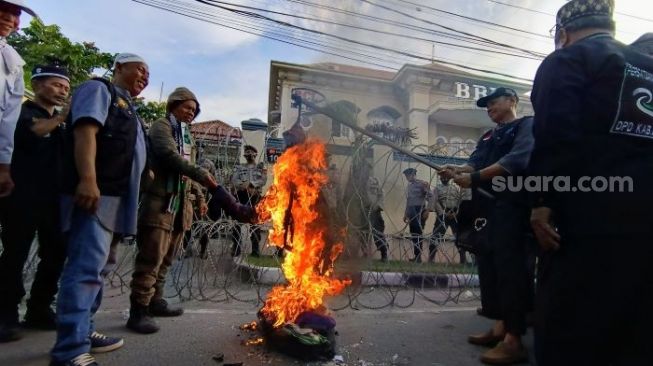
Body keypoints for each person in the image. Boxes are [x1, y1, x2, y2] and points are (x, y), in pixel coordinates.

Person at [529, 1, 653, 364]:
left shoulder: (567, 60)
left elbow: (555, 137)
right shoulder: (645, 65)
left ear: (562, 33)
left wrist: (542, 202)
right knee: (636, 327)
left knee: (572, 325)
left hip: (587, 222)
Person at [51, 53, 150, 366]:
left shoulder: (128, 107)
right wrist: (88, 179)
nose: (144, 77)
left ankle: (86, 331)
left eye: (149, 74)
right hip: (98, 194)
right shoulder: (99, 90)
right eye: (140, 69)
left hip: (119, 201)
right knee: (84, 270)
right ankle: (69, 350)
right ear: (119, 67)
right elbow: (85, 131)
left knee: (100, 269)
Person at [441, 87, 534, 364]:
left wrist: (477, 177)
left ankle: (514, 340)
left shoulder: (526, 126)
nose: (489, 107)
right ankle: (500, 325)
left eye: (494, 101)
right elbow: (474, 164)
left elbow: (517, 161)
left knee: (511, 270)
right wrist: (456, 170)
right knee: (490, 268)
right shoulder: (488, 135)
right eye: (487, 104)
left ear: (512, 101)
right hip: (487, 209)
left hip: (513, 207)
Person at [127, 87, 216, 334]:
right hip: (160, 201)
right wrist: (201, 174)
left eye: (194, 110)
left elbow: (188, 170)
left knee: (167, 258)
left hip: (180, 205)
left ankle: (156, 300)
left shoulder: (186, 135)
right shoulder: (162, 126)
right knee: (151, 257)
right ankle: (138, 311)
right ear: (173, 104)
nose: (191, 113)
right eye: (187, 107)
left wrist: (199, 195)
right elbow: (169, 156)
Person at [0, 63, 69, 342]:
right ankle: (5, 314)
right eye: (55, 85)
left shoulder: (61, 123)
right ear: (38, 84)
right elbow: (33, 132)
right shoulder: (23, 113)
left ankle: (39, 308)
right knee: (15, 255)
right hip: (23, 196)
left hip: (54, 198)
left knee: (55, 254)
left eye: (65, 87)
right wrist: (62, 117)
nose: (61, 91)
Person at [0, 0, 36, 198]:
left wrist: (4, 166)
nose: (10, 18)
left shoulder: (13, 61)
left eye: (16, 13)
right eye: (4, 9)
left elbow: (9, 118)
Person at [229, 145, 267, 257]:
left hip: (255, 198)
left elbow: (263, 180)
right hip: (241, 197)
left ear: (255, 154)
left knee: (255, 223)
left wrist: (252, 185)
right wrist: (244, 186)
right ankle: (236, 247)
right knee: (237, 223)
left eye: (251, 151)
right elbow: (234, 180)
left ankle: (255, 250)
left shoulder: (260, 167)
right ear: (244, 155)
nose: (249, 153)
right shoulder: (239, 167)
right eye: (247, 152)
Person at [430, 176, 469, 264]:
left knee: (459, 236)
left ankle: (463, 259)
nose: (444, 179)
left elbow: (459, 200)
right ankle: (431, 257)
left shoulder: (454, 188)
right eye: (443, 178)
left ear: (449, 179)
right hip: (443, 214)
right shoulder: (437, 188)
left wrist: (457, 213)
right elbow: (435, 201)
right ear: (440, 179)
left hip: (454, 214)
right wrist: (443, 213)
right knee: (436, 236)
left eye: (446, 178)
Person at [402, 168, 432, 263]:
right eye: (406, 176)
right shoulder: (409, 186)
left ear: (413, 174)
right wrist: (406, 213)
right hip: (411, 211)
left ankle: (418, 257)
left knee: (418, 233)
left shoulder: (422, 184)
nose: (407, 178)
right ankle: (416, 255)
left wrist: (427, 210)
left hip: (420, 210)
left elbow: (430, 196)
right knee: (413, 234)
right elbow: (409, 200)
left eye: (408, 175)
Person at [364, 174, 388, 262]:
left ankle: (384, 253)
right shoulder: (359, 182)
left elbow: (381, 195)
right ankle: (364, 253)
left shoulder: (375, 181)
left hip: (375, 211)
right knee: (362, 233)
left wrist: (377, 206)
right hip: (364, 210)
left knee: (377, 233)